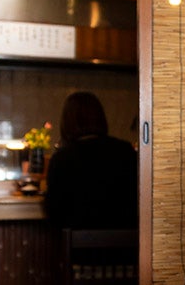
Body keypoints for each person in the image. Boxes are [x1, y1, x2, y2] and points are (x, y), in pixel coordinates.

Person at [43, 91, 138, 229]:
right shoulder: (125, 150)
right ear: (100, 118)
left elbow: (54, 211)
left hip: (77, 239)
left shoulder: (62, 158)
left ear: (67, 121)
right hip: (125, 239)